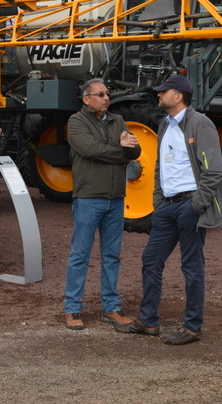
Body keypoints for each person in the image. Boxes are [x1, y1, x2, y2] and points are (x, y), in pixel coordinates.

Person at [117, 74, 222, 345]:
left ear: (178, 96)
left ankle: (192, 327)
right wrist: (158, 201)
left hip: (189, 205)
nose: (159, 95)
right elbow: (160, 166)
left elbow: (213, 171)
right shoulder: (165, 124)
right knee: (151, 260)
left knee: (192, 267)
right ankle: (148, 321)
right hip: (166, 206)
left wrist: (196, 205)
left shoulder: (201, 124)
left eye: (163, 91)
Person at [62, 78, 141, 330]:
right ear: (86, 99)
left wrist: (127, 150)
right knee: (80, 255)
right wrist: (120, 150)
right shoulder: (76, 122)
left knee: (112, 256)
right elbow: (90, 150)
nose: (106, 98)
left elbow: (135, 152)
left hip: (115, 199)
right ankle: (72, 309)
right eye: (100, 94)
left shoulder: (118, 120)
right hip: (88, 198)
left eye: (107, 94)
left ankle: (111, 308)